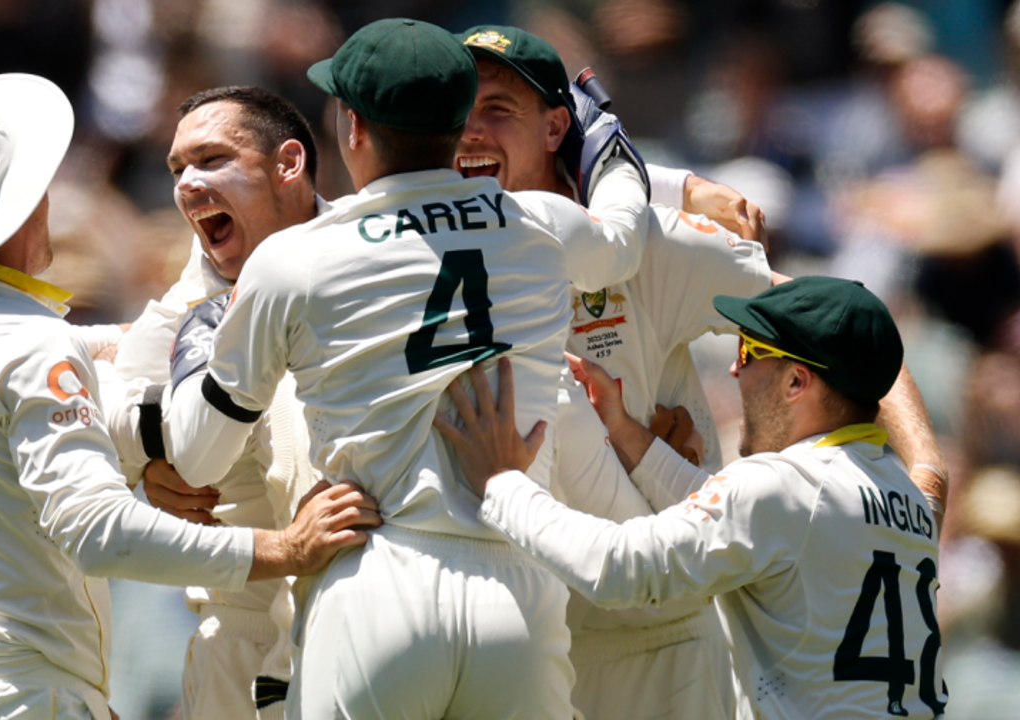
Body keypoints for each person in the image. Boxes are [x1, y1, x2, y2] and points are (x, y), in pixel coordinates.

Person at [455, 24, 952, 720]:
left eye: (497, 111)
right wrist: (632, 438)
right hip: (519, 634)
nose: (468, 135)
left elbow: (845, 327)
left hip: (661, 643)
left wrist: (927, 464)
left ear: (555, 127)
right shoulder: (426, 244)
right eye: (455, 114)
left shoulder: (656, 247)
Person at [164, 17, 649, 719]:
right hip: (518, 587)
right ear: (458, 125)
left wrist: (200, 339)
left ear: (352, 127)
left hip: (378, 576)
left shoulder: (295, 260)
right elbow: (624, 241)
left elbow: (198, 455)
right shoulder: (541, 221)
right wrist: (608, 147)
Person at [0, 73, 379, 720]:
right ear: (25, 204)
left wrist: (142, 446)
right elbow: (99, 530)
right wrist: (286, 548)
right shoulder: (33, 346)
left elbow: (78, 355)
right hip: (14, 693)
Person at [439, 276, 948, 720]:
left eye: (749, 352)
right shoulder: (903, 493)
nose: (734, 370)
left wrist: (502, 484)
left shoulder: (783, 486)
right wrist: (625, 432)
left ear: (797, 381)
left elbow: (621, 568)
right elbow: (752, 522)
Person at [101, 86, 328, 720]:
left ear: (288, 164)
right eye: (177, 169)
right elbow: (103, 401)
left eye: (210, 160)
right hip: (235, 639)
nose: (187, 184)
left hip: (351, 610)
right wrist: (152, 460)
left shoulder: (362, 255)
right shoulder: (199, 282)